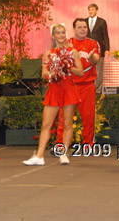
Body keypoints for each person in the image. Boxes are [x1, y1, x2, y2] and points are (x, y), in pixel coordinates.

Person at [23, 24, 83, 166]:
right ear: (53, 36)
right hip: (54, 90)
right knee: (46, 124)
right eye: (58, 33)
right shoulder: (49, 53)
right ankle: (39, 156)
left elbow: (81, 72)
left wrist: (68, 66)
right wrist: (53, 74)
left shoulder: (73, 52)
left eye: (63, 32)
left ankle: (64, 154)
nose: (61, 35)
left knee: (67, 124)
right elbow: (44, 73)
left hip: (68, 90)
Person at [55, 18, 100, 147]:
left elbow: (96, 60)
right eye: (79, 27)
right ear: (74, 29)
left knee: (88, 117)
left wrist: (91, 57)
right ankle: (60, 144)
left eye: (84, 27)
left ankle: (88, 144)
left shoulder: (93, 43)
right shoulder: (66, 43)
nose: (82, 29)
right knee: (65, 118)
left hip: (87, 85)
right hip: (70, 86)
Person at [87, 3, 110, 94]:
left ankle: (98, 90)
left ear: (96, 10)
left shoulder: (102, 22)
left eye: (92, 9)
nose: (91, 11)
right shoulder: (84, 21)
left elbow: (105, 36)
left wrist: (107, 48)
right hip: (87, 49)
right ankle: (88, 88)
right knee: (87, 69)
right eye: (89, 9)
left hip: (99, 49)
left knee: (99, 70)